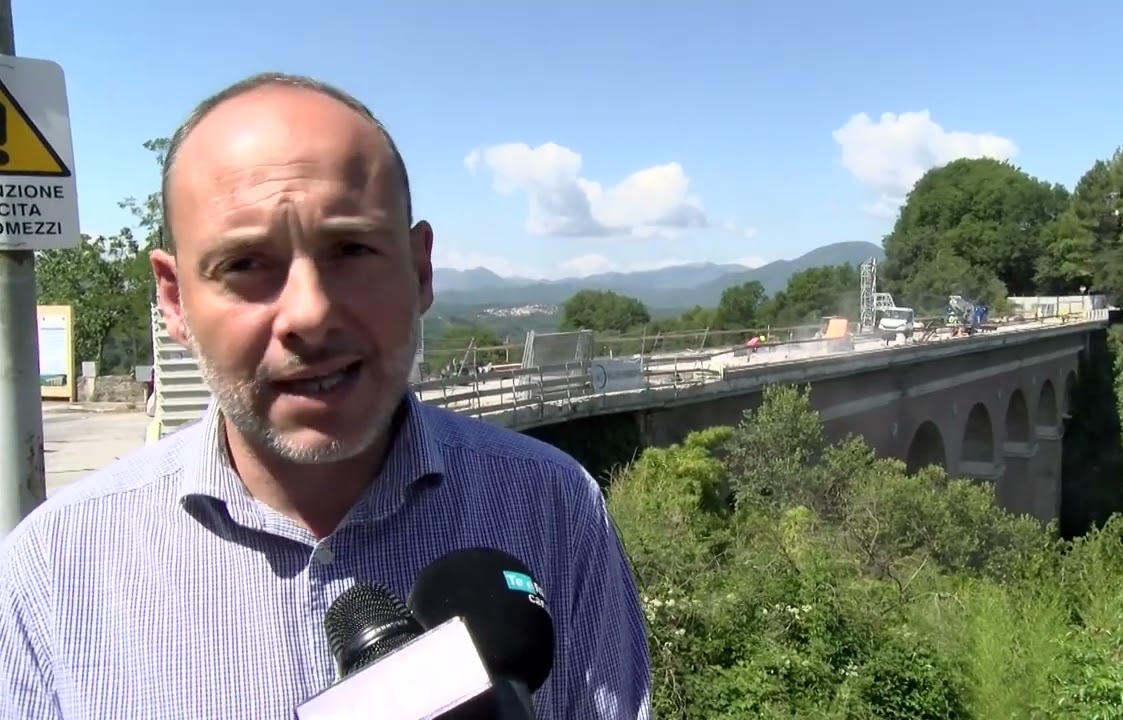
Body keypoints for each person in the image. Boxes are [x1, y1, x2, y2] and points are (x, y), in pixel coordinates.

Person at [0, 73, 652, 719]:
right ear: (174, 299)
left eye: (350, 249)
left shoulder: (553, 510)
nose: (310, 314)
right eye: (246, 264)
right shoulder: (53, 575)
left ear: (420, 269)